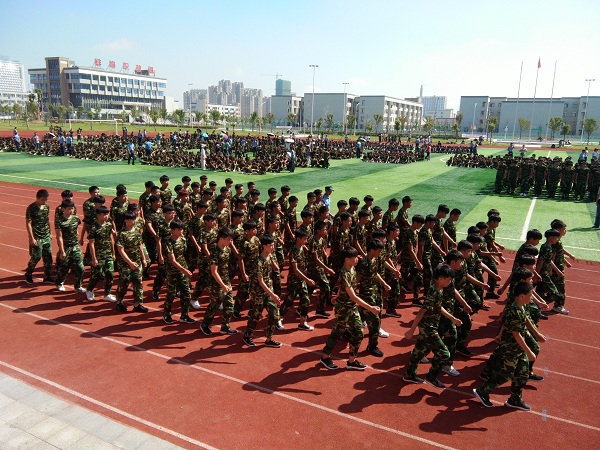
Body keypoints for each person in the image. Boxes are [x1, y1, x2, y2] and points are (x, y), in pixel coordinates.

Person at [473, 282, 545, 410]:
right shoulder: (514, 311)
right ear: (521, 296)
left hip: (518, 348)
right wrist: (528, 351)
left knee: (522, 373)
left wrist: (537, 334)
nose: (532, 298)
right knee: (506, 374)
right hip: (511, 348)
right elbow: (516, 334)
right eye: (530, 295)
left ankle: (515, 399)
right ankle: (482, 391)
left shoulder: (521, 306)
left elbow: (526, 319)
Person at [320, 246, 381, 371]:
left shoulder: (352, 268)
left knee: (359, 333)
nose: (357, 259)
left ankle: (351, 361)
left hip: (352, 308)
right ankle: (325, 357)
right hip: (343, 309)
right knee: (337, 334)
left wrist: (337, 296)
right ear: (347, 259)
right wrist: (370, 308)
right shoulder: (344, 273)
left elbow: (342, 288)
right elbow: (353, 296)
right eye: (355, 257)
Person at [402, 264, 462, 388]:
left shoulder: (439, 290)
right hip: (428, 328)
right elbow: (421, 312)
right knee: (444, 353)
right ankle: (431, 377)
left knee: (418, 351)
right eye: (448, 279)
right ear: (440, 278)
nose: (450, 282)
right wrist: (411, 330)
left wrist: (452, 318)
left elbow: (438, 307)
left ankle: (409, 374)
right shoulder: (433, 292)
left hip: (430, 325)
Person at [242, 233, 283, 348]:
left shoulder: (270, 256)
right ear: (264, 246)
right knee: (256, 316)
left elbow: (276, 268)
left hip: (268, 291)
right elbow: (261, 282)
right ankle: (247, 336)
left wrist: (272, 257)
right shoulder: (258, 262)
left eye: (273, 245)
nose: (273, 247)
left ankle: (269, 339)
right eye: (271, 245)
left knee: (274, 315)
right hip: (258, 293)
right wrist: (273, 295)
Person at [200, 227, 236, 335]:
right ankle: (205, 324)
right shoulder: (215, 253)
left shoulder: (227, 249)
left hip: (226, 281)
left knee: (229, 306)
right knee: (214, 306)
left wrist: (227, 283)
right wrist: (222, 285)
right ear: (221, 239)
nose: (231, 242)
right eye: (229, 239)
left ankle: (225, 327)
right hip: (216, 284)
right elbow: (214, 272)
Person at [162, 219, 195, 324]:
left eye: (182, 229)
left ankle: (184, 315)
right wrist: (184, 270)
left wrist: (185, 269)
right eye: (178, 229)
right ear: (172, 230)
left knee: (186, 294)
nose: (181, 231)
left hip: (182, 270)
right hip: (172, 271)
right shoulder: (168, 242)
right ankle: (166, 314)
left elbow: (183, 255)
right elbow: (172, 260)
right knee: (171, 294)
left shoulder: (183, 240)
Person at [115, 212, 148, 313]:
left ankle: (138, 304)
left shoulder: (137, 231)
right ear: (126, 221)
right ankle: (119, 302)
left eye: (134, 219)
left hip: (137, 262)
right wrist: (130, 263)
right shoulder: (122, 233)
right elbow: (120, 250)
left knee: (138, 282)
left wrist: (143, 259)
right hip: (125, 264)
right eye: (132, 219)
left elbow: (140, 245)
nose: (134, 221)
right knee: (124, 283)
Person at [85, 205, 116, 302]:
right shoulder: (94, 227)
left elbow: (111, 239)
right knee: (96, 275)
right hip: (98, 255)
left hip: (108, 254)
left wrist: (113, 253)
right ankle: (89, 289)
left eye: (107, 214)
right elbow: (91, 243)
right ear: (98, 215)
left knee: (110, 274)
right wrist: (94, 258)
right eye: (104, 214)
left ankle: (107, 293)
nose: (106, 216)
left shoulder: (108, 225)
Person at [54, 199, 85, 293]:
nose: (71, 210)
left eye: (72, 208)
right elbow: (59, 237)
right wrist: (62, 251)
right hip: (66, 246)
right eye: (69, 209)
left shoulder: (76, 218)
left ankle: (78, 286)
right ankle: (59, 283)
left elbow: (76, 228)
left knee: (80, 267)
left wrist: (77, 236)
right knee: (64, 266)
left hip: (75, 246)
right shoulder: (59, 221)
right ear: (63, 209)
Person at [25, 189, 53, 284]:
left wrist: (50, 232)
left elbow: (47, 219)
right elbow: (28, 223)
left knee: (48, 257)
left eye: (46, 200)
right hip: (37, 236)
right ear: (37, 197)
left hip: (46, 235)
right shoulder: (31, 208)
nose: (44, 202)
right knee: (36, 256)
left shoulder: (46, 207)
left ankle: (47, 276)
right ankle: (28, 273)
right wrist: (31, 238)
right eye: (42, 200)